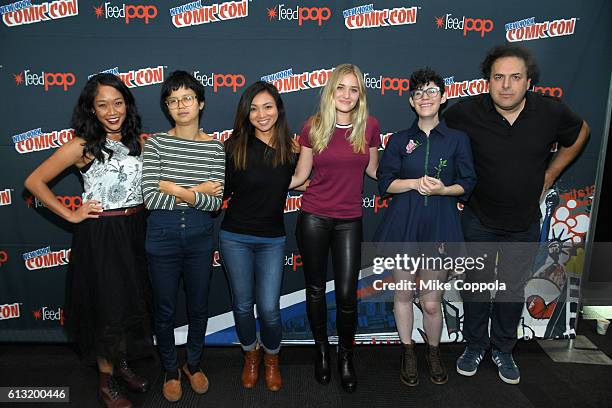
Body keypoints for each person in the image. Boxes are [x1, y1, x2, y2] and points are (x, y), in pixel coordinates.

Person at [444, 44, 589, 384]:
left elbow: (581, 132)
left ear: (529, 83)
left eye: (515, 77)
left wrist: (551, 174)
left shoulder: (550, 112)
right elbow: (438, 139)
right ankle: (475, 345)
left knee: (511, 290)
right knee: (477, 288)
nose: (506, 85)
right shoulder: (465, 113)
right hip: (478, 218)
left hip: (523, 222)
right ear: (487, 81)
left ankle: (503, 350)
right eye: (498, 77)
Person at [25, 73, 152, 408]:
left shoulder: (136, 140)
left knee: (129, 304)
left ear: (127, 104)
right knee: (107, 309)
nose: (112, 110)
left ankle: (122, 366)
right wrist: (70, 215)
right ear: (91, 110)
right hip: (102, 234)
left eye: (118, 102)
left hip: (135, 228)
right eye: (102, 104)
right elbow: (34, 181)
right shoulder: (82, 145)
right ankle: (106, 382)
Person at [374, 68, 476, 386]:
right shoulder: (399, 141)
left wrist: (443, 190)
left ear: (443, 98)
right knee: (402, 295)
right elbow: (385, 183)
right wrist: (415, 183)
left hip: (440, 227)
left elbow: (468, 182)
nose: (425, 97)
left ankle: (433, 352)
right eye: (419, 92)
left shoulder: (458, 139)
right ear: (411, 101)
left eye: (432, 91)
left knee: (431, 302)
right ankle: (407, 351)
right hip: (404, 227)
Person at [290, 63, 380, 393]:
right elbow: (301, 177)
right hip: (313, 215)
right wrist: (261, 184)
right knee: (314, 289)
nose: (346, 94)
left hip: (349, 219)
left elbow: (374, 171)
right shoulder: (312, 127)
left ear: (360, 95)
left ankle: (345, 356)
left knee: (346, 295)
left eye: (353, 89)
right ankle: (322, 352)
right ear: (331, 91)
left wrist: (413, 177)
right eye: (340, 87)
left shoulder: (369, 127)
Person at [142, 71, 225, 402]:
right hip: (160, 233)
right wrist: (195, 190)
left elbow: (214, 201)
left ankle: (192, 363)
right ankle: (170, 368)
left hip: (200, 235)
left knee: (198, 306)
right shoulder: (157, 144)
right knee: (163, 309)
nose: (180, 105)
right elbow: (150, 197)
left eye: (187, 98)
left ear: (200, 102)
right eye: (173, 100)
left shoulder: (215, 147)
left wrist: (173, 188)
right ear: (167, 106)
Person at [220, 81, 299, 391]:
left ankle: (271, 359)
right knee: (242, 306)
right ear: (245, 113)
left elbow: (303, 182)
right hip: (234, 237)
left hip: (272, 240)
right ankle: (250, 355)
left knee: (268, 308)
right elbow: (219, 191)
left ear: (278, 110)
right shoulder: (233, 146)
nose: (261, 114)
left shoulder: (291, 149)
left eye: (267, 106)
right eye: (253, 108)